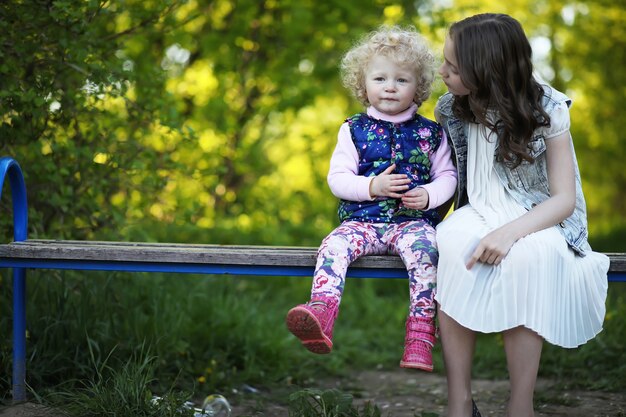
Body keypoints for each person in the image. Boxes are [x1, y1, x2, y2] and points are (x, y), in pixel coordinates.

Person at [434, 13, 609, 417]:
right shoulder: (451, 107)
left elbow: (563, 199)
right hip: (476, 210)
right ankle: (459, 401)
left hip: (538, 214)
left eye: (453, 67)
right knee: (454, 244)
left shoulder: (546, 107)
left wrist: (510, 233)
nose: (442, 71)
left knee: (531, 258)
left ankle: (521, 405)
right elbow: (447, 177)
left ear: (486, 70)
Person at [285, 25, 457, 371]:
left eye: (401, 80)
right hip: (361, 223)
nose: (390, 87)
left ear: (419, 87)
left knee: (428, 251)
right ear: (363, 84)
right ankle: (321, 311)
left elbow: (448, 177)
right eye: (380, 79)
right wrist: (371, 187)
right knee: (333, 246)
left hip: (411, 224)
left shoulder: (431, 133)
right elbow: (337, 179)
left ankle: (421, 335)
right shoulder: (352, 129)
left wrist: (427, 196)